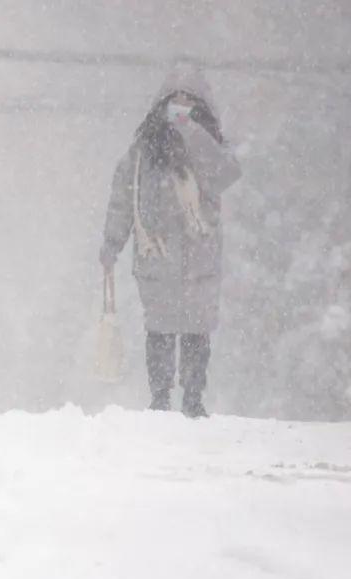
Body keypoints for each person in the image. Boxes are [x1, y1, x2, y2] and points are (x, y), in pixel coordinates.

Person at [100, 67, 241, 418]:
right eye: (175, 100)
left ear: (201, 107)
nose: (181, 106)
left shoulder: (209, 146)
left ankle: (193, 398)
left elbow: (226, 175)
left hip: (200, 257)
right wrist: (111, 243)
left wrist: (192, 132)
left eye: (189, 101)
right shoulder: (143, 150)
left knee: (197, 329)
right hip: (157, 252)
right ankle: (160, 398)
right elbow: (122, 197)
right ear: (161, 105)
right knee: (160, 328)